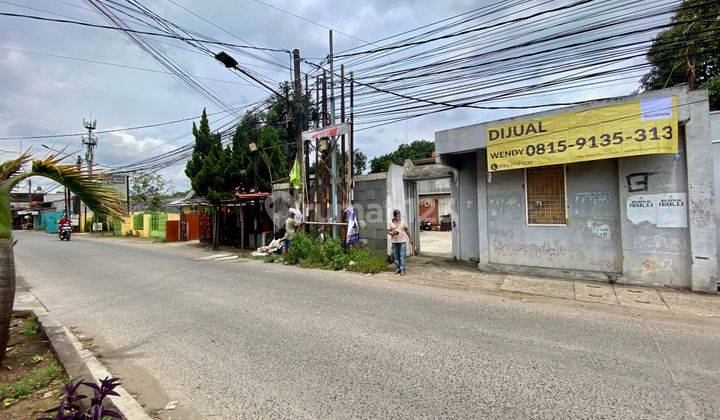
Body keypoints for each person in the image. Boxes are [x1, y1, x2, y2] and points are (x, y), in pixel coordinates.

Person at [387, 209, 413, 275]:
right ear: (394, 216)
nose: (399, 217)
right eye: (397, 216)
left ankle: (402, 270)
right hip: (394, 242)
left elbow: (406, 230)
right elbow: (389, 230)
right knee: (396, 256)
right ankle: (398, 269)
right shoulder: (391, 222)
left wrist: (410, 238)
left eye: (399, 215)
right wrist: (391, 233)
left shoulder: (403, 222)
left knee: (402, 256)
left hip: (402, 241)